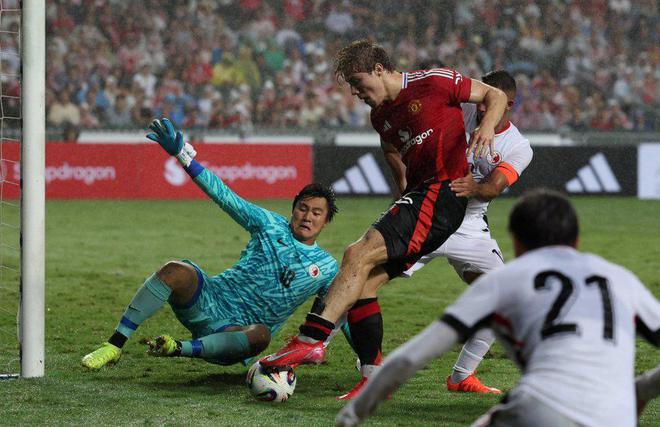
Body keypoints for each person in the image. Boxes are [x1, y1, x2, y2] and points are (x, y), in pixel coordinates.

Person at [260, 39, 508, 400]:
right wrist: (401, 188)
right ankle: (373, 378)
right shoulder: (381, 117)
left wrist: (486, 128)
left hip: (444, 193)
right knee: (363, 283)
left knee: (356, 253)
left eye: (358, 82)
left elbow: (495, 95)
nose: (356, 92)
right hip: (421, 195)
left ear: (378, 70)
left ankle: (312, 339)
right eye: (351, 86)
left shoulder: (434, 81)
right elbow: (391, 147)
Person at [336, 190, 660, 427]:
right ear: (576, 240)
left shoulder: (505, 280)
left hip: (540, 408)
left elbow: (413, 356)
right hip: (617, 415)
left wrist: (352, 415)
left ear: (516, 241)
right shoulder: (621, 279)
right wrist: (642, 389)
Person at [81, 118, 339, 369]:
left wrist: (346, 354)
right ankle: (113, 345)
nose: (307, 216)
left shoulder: (327, 267)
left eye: (316, 213)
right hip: (210, 299)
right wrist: (183, 157)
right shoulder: (269, 224)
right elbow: (224, 195)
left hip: (237, 335)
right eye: (302, 208)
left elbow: (340, 311)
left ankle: (177, 348)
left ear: (326, 221)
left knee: (262, 335)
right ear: (293, 209)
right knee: (175, 270)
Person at [399, 70, 533, 394]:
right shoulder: (461, 112)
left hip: (470, 226)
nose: (483, 108)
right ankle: (318, 344)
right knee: (365, 273)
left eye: (492, 102)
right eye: (482, 100)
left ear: (509, 104)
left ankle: (461, 377)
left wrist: (476, 187)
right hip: (428, 212)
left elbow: (493, 188)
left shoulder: (519, 147)